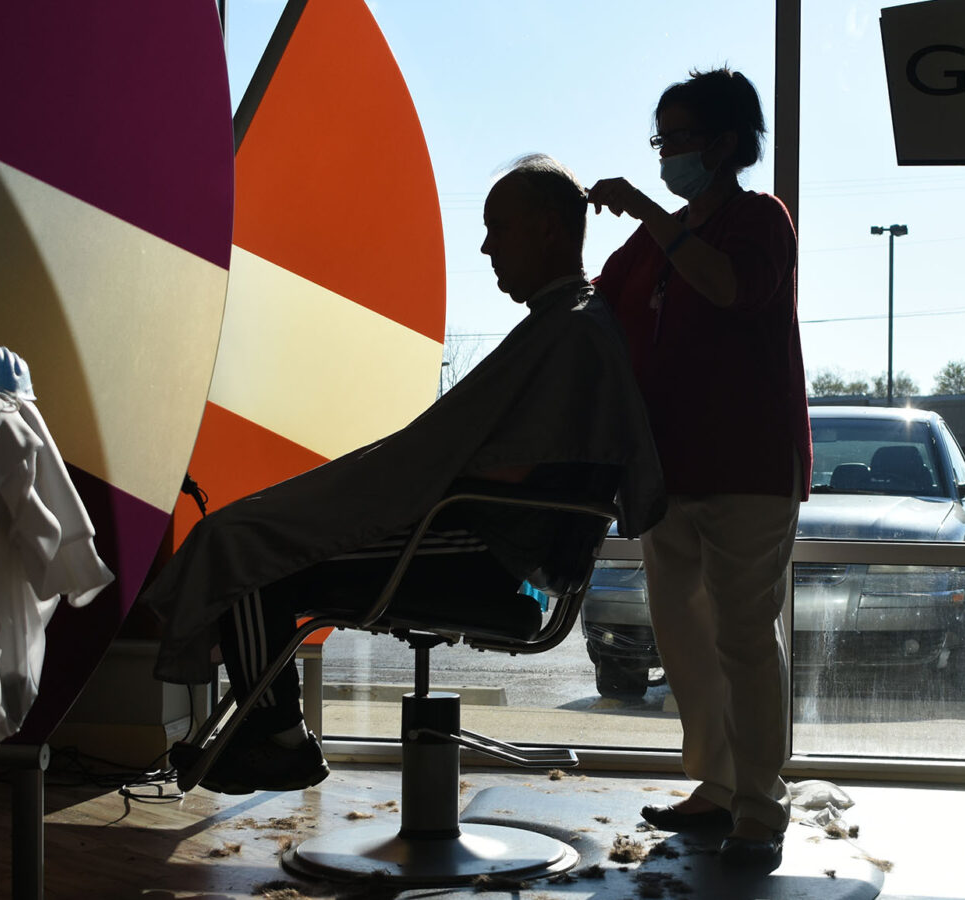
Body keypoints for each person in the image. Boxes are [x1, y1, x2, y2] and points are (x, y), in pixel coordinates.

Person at [141, 154, 664, 794]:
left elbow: (514, 469)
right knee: (257, 537)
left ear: (549, 229)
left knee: (257, 555)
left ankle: (277, 742)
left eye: (499, 228)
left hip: (483, 549)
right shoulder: (569, 326)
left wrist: (399, 484)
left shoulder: (572, 332)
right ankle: (271, 733)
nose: (486, 246)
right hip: (487, 538)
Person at [586, 67, 810, 868]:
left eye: (677, 137)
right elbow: (595, 308)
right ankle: (715, 786)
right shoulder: (651, 243)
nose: (664, 152)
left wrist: (651, 214)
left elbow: (729, 291)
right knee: (683, 635)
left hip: (749, 465)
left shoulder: (758, 221)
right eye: (660, 137)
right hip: (666, 472)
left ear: (724, 143)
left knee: (745, 636)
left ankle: (761, 802)